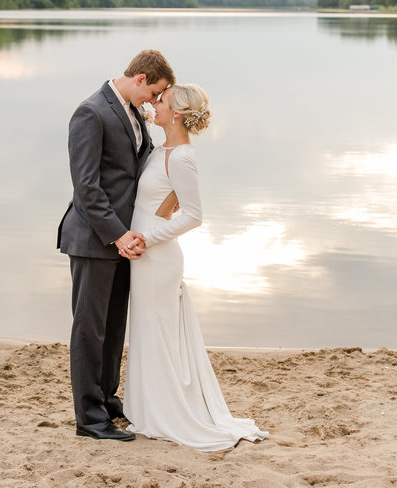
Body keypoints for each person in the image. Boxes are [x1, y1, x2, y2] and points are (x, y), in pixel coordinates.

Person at [124, 83, 269, 451]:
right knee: (146, 330)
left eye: (161, 102)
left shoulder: (182, 157)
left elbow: (194, 216)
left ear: (178, 114)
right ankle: (146, 409)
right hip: (145, 254)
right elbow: (163, 201)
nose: (154, 105)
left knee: (156, 330)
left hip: (156, 257)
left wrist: (148, 237)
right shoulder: (162, 150)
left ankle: (165, 413)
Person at [58, 49, 174, 441]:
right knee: (90, 330)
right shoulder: (91, 112)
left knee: (113, 327)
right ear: (140, 79)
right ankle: (89, 419)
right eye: (154, 93)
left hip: (124, 242)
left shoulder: (130, 111)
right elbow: (86, 187)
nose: (154, 103)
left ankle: (106, 400)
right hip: (95, 239)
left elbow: (134, 171)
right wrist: (118, 234)